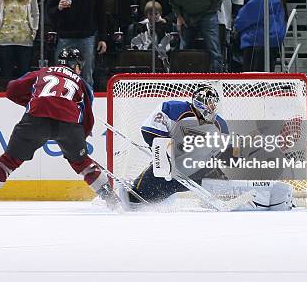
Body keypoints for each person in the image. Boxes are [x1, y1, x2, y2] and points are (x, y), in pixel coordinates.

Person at [0, 47, 121, 210]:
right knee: (83, 164)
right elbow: (88, 117)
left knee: (9, 161)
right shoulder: (82, 83)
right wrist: (79, 141)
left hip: (36, 119)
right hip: (68, 124)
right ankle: (112, 200)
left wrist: (32, 101)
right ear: (75, 65)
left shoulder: (43, 72)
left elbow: (12, 89)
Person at [121, 84, 293, 211]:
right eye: (208, 102)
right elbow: (149, 131)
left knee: (230, 197)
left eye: (213, 103)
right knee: (134, 201)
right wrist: (166, 156)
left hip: (201, 172)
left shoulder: (220, 123)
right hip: (168, 171)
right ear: (198, 102)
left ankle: (269, 199)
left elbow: (227, 156)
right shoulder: (172, 109)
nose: (211, 107)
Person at [46, 0, 107, 87]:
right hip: (65, 36)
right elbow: (50, 12)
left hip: (87, 37)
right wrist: (59, 8)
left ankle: (87, 104)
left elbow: (101, 12)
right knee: (61, 75)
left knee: (87, 76)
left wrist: (103, 37)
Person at [160, 0, 225, 72]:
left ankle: (218, 77)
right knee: (183, 49)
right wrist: (179, 16)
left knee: (213, 48)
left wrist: (214, 8)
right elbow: (171, 0)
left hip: (207, 14)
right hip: (188, 15)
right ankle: (183, 79)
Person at [233, 0, 287, 72]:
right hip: (266, 40)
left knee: (254, 81)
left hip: (258, 41)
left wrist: (236, 26)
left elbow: (247, 14)